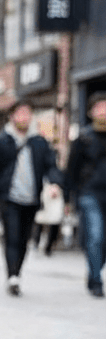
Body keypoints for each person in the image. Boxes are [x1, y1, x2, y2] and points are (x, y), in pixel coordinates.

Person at [0, 101, 64, 296]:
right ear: (12, 117)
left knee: (24, 239)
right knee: (12, 236)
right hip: (9, 197)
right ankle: (12, 276)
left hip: (31, 199)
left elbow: (51, 165)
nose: (24, 117)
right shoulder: (1, 141)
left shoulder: (39, 142)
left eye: (28, 114)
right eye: (20, 114)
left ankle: (17, 272)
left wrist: (54, 184)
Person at [65, 91, 106, 297]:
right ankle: (97, 281)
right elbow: (71, 169)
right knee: (96, 236)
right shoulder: (84, 137)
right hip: (90, 193)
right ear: (91, 112)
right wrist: (68, 197)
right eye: (99, 108)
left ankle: (93, 271)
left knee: (102, 241)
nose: (103, 112)